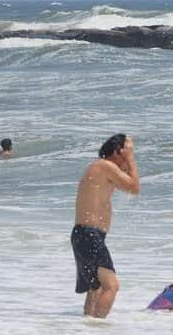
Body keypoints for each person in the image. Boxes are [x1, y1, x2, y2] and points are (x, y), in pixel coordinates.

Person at [71, 133, 140, 319]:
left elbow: (128, 182)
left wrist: (127, 159)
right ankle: (98, 326)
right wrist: (130, 158)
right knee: (112, 286)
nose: (129, 157)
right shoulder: (104, 166)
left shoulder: (101, 168)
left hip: (85, 234)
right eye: (127, 152)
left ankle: (87, 326)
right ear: (117, 151)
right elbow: (134, 187)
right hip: (89, 234)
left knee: (96, 288)